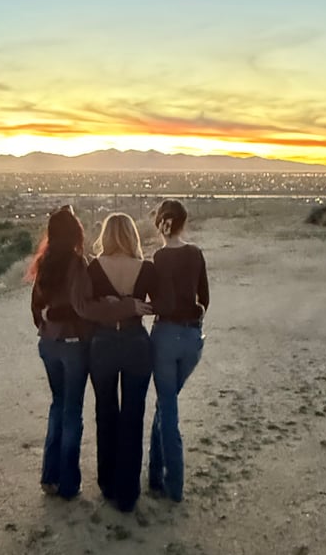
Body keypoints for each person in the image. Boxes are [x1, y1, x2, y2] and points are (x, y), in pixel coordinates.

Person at [29, 206, 149, 500]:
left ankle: (50, 476)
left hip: (48, 343)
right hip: (73, 344)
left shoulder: (44, 262)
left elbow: (36, 305)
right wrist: (124, 306)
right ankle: (70, 485)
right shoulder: (77, 263)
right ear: (75, 233)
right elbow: (84, 306)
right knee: (72, 412)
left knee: (59, 407)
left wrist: (47, 325)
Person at [87, 213, 156, 512]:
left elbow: (86, 310)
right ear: (131, 236)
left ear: (107, 235)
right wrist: (133, 306)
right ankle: (128, 492)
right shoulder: (146, 268)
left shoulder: (93, 268)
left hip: (102, 344)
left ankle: (108, 483)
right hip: (136, 343)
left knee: (105, 412)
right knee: (133, 416)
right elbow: (160, 303)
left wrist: (110, 307)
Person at [148, 199, 209, 503]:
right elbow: (205, 299)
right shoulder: (196, 254)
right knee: (165, 405)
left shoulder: (158, 259)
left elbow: (157, 302)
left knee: (167, 409)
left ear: (161, 224)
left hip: (164, 337)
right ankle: (155, 476)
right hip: (191, 338)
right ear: (183, 223)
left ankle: (173, 485)